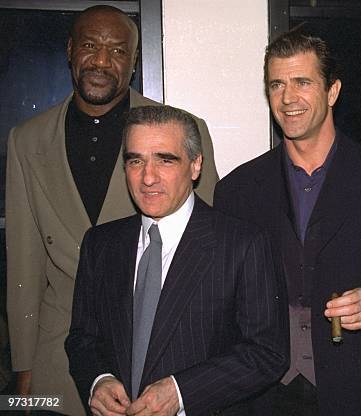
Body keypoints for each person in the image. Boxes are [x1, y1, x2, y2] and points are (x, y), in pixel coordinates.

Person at [5, 6, 218, 415]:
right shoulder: (26, 140)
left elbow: (206, 250)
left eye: (118, 51)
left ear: (134, 62)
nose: (102, 61)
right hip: (59, 350)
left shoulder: (184, 132)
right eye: (89, 46)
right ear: (69, 50)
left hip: (160, 348)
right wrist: (23, 366)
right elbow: (24, 265)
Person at [214, 32, 361, 415]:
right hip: (259, 397)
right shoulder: (236, 190)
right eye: (276, 84)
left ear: (332, 91)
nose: (287, 98)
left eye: (302, 82)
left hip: (358, 391)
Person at [65, 105, 287, 416]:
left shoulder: (242, 244)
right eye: (135, 161)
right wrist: (98, 382)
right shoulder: (100, 244)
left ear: (195, 165)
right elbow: (82, 339)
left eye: (165, 160)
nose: (148, 177)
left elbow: (267, 353)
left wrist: (181, 393)